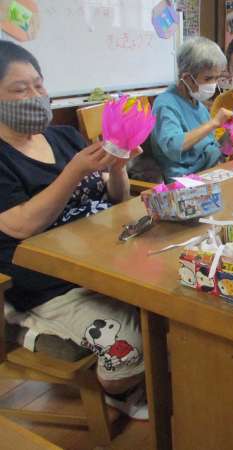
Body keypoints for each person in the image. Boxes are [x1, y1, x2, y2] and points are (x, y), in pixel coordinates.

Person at [0, 41, 145, 418]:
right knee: (129, 347)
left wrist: (118, 167)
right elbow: (20, 224)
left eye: (39, 85)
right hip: (49, 282)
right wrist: (75, 171)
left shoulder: (64, 137)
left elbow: (116, 198)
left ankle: (145, 380)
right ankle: (25, 324)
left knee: (168, 315)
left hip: (105, 261)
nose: (35, 96)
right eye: (20, 89)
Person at [151, 37, 233, 182]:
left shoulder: (198, 105)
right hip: (183, 182)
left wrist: (231, 134)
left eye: (216, 78)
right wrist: (213, 123)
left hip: (209, 172)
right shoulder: (165, 104)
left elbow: (214, 149)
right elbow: (173, 146)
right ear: (187, 78)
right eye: (208, 79)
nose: (213, 84)